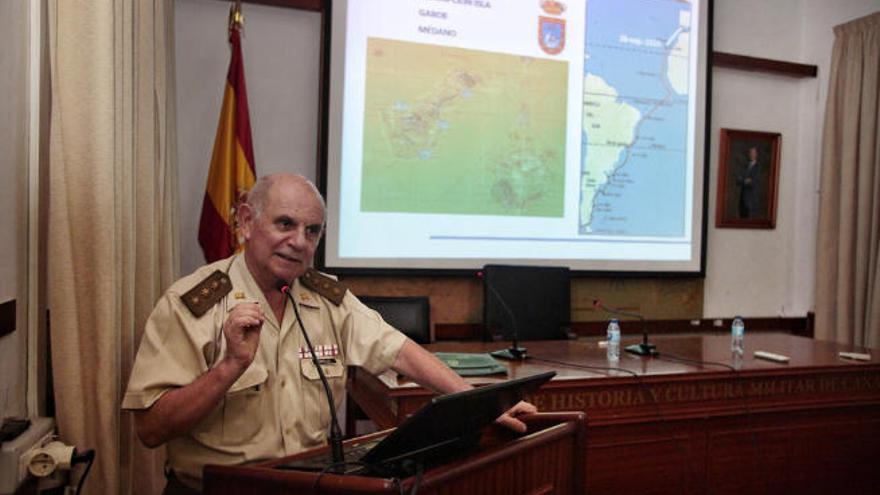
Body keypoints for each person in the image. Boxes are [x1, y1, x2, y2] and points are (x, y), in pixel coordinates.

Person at [122, 173, 537, 494]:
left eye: (312, 231)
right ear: (246, 222)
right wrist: (229, 367)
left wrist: (480, 403)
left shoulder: (327, 298)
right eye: (285, 224)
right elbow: (150, 429)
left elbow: (400, 351)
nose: (299, 242)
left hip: (310, 486)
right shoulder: (193, 302)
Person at [735, 146, 763, 219]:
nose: (751, 154)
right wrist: (745, 180)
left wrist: (743, 180)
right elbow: (737, 180)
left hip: (751, 200)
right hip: (742, 200)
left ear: (756, 154)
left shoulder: (758, 167)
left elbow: (753, 182)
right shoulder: (745, 166)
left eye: (753, 153)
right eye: (750, 153)